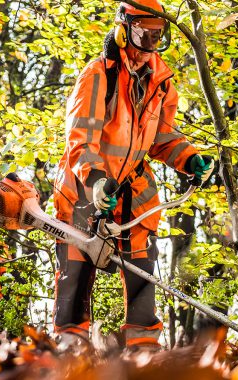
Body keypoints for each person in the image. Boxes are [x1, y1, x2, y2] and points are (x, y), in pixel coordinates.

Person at [52, 0, 214, 350]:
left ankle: (143, 352)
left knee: (142, 273)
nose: (150, 46)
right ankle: (69, 349)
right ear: (124, 31)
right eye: (144, 36)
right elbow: (80, 137)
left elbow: (162, 138)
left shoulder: (161, 81)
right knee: (76, 277)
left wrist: (188, 158)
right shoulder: (99, 74)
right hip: (84, 190)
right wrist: (95, 179)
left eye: (157, 37)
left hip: (132, 192)